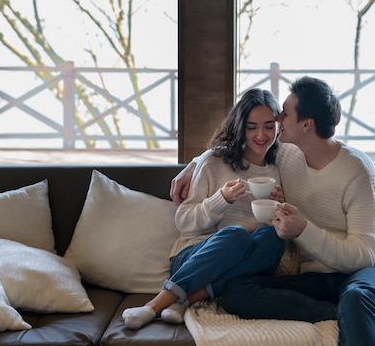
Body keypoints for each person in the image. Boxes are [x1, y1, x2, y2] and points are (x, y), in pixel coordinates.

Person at [171, 77, 375, 346]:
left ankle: (358, 309)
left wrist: (302, 230)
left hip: (370, 268)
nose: (277, 119)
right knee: (236, 292)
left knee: (356, 297)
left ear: (306, 124)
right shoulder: (286, 153)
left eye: (284, 114)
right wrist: (195, 164)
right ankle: (356, 313)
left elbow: (362, 256)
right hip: (317, 274)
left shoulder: (358, 171)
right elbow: (238, 145)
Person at [122, 88, 286, 330]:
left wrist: (277, 207)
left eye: (268, 126)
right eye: (251, 127)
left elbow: (269, 232)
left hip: (242, 261)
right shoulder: (213, 162)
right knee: (236, 234)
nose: (260, 135)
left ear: (278, 127)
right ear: (240, 127)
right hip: (195, 256)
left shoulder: (280, 165)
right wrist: (221, 199)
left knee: (274, 238)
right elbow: (185, 222)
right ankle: (155, 305)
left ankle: (186, 300)